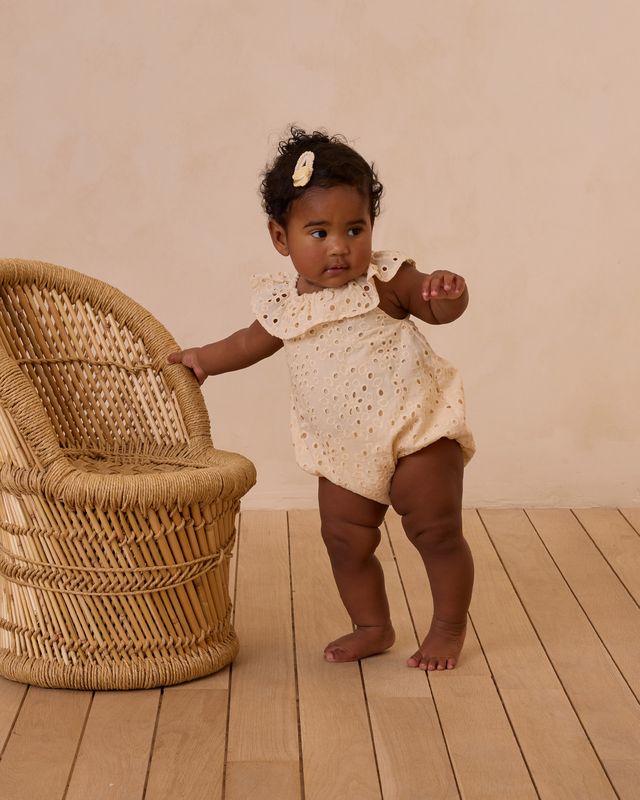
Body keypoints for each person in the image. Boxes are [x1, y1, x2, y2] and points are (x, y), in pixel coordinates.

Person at [168, 127, 476, 671]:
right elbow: (245, 343)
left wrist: (448, 293)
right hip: (342, 451)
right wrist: (201, 359)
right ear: (280, 237)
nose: (339, 246)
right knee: (343, 539)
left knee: (435, 530)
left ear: (372, 227)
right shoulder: (285, 305)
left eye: (355, 229)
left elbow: (434, 307)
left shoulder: (385, 279)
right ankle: (372, 626)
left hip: (417, 433)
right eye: (319, 232)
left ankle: (448, 627)